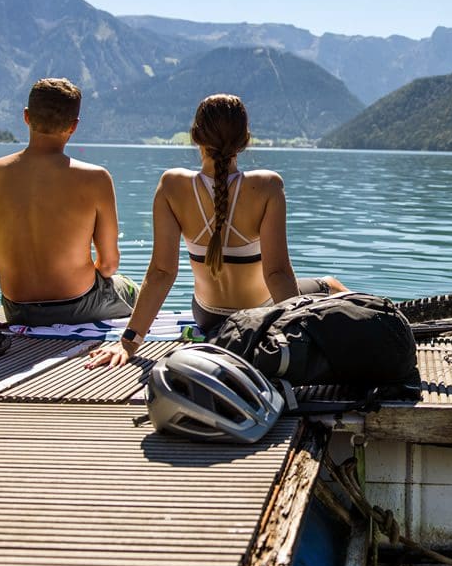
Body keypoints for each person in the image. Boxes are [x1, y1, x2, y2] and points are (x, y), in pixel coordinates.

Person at [86, 93, 345, 368]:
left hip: (208, 316)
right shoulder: (268, 187)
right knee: (330, 285)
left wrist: (129, 342)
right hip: (262, 312)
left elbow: (162, 273)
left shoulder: (172, 186)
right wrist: (300, 336)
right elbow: (277, 274)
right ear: (245, 140)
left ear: (195, 136)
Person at [0, 78, 138, 326]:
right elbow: (109, 265)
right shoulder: (96, 179)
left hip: (17, 310)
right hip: (79, 305)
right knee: (133, 289)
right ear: (74, 126)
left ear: (26, 116)